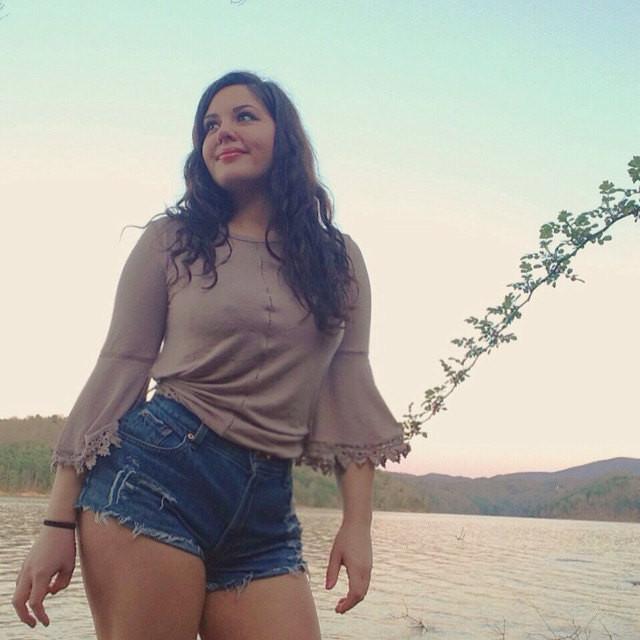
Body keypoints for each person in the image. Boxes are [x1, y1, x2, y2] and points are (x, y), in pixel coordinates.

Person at [12, 70, 410, 640]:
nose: (223, 131)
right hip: (154, 479)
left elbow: (351, 391)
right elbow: (119, 370)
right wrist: (56, 521)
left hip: (266, 509)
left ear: (284, 136)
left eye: (244, 116)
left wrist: (358, 523)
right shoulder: (172, 241)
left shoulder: (337, 260)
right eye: (210, 125)